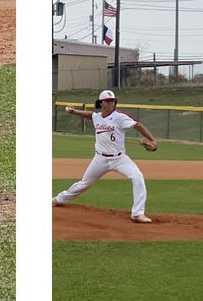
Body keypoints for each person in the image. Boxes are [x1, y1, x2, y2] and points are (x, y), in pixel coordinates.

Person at [53, 89, 158, 223]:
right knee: (83, 184)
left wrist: (152, 140)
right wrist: (74, 112)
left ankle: (137, 213)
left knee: (137, 177)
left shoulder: (119, 116)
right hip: (100, 159)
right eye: (107, 101)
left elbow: (137, 125)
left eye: (112, 101)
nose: (110, 104)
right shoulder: (97, 116)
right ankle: (58, 199)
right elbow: (90, 115)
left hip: (120, 159)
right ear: (100, 103)